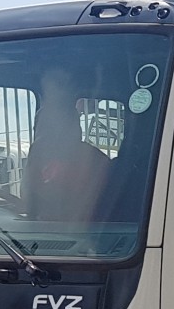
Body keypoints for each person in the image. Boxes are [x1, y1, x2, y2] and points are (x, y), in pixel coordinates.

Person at [26, 73, 112, 222]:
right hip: (39, 232)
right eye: (39, 127)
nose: (41, 135)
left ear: (73, 128)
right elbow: (29, 202)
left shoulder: (94, 160)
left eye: (49, 127)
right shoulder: (37, 155)